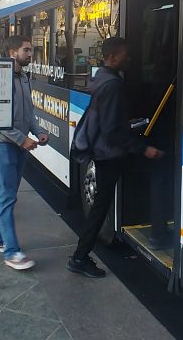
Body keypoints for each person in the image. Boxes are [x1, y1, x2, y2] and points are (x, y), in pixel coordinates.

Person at [67, 37, 163, 278]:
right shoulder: (112, 85)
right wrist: (143, 149)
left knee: (102, 203)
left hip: (104, 152)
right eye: (124, 54)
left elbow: (110, 123)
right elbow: (111, 130)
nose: (128, 58)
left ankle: (155, 231)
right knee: (104, 204)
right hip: (110, 154)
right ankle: (80, 257)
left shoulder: (102, 79)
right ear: (111, 57)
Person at [0, 35, 49, 270]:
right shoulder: (1, 78)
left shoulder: (24, 78)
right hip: (5, 146)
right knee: (6, 197)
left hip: (19, 147)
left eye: (31, 50)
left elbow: (28, 112)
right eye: (26, 50)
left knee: (8, 196)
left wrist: (38, 132)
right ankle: (11, 251)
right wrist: (21, 139)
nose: (31, 54)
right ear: (12, 53)